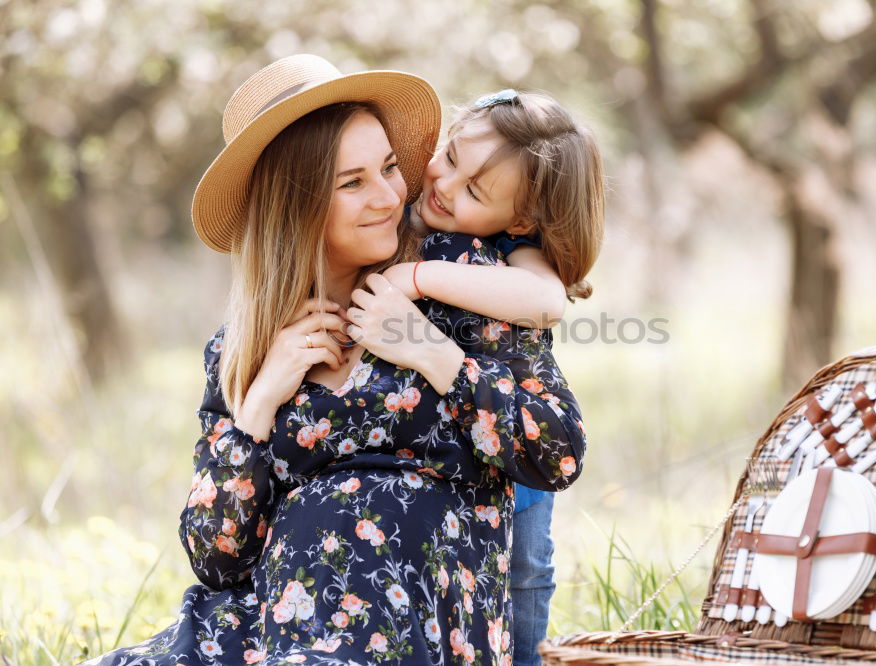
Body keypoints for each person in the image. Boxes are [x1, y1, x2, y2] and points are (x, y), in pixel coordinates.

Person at [84, 54, 585, 666]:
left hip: (415, 626)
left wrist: (431, 352)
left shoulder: (459, 282)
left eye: (391, 168)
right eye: (353, 183)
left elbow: (556, 452)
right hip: (270, 628)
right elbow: (216, 558)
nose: (391, 197)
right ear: (293, 209)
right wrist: (260, 405)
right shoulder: (244, 346)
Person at [376, 89, 605, 665]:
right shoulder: (396, 205)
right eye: (450, 158)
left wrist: (424, 276)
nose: (444, 186)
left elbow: (546, 300)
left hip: (520, 463)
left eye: (475, 191)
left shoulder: (517, 252)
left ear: (522, 217)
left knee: (525, 572)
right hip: (441, 463)